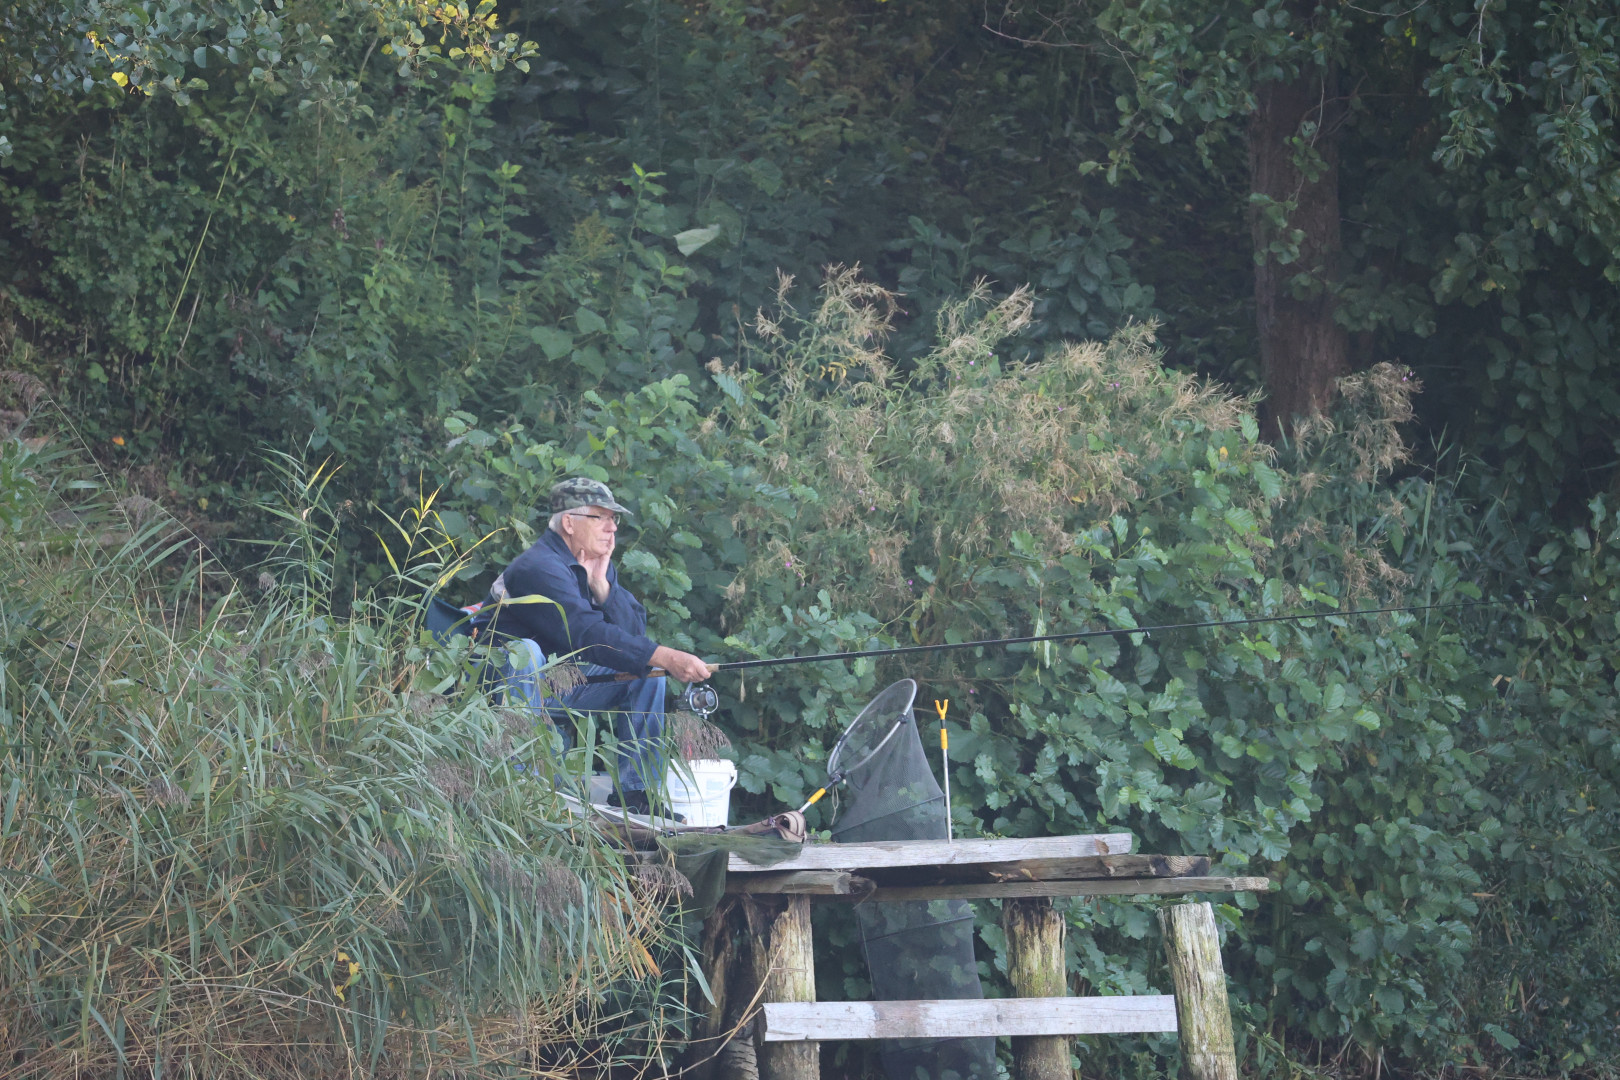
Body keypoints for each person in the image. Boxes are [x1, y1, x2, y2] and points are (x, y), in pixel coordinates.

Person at [473, 477, 712, 813]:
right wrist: (667, 655)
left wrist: (601, 585)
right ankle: (522, 792)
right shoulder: (538, 567)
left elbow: (634, 635)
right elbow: (585, 633)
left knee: (648, 671)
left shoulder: (591, 563)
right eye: (601, 518)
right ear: (569, 523)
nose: (612, 528)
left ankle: (636, 795)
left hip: (555, 684)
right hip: (500, 686)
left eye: (614, 519)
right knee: (526, 651)